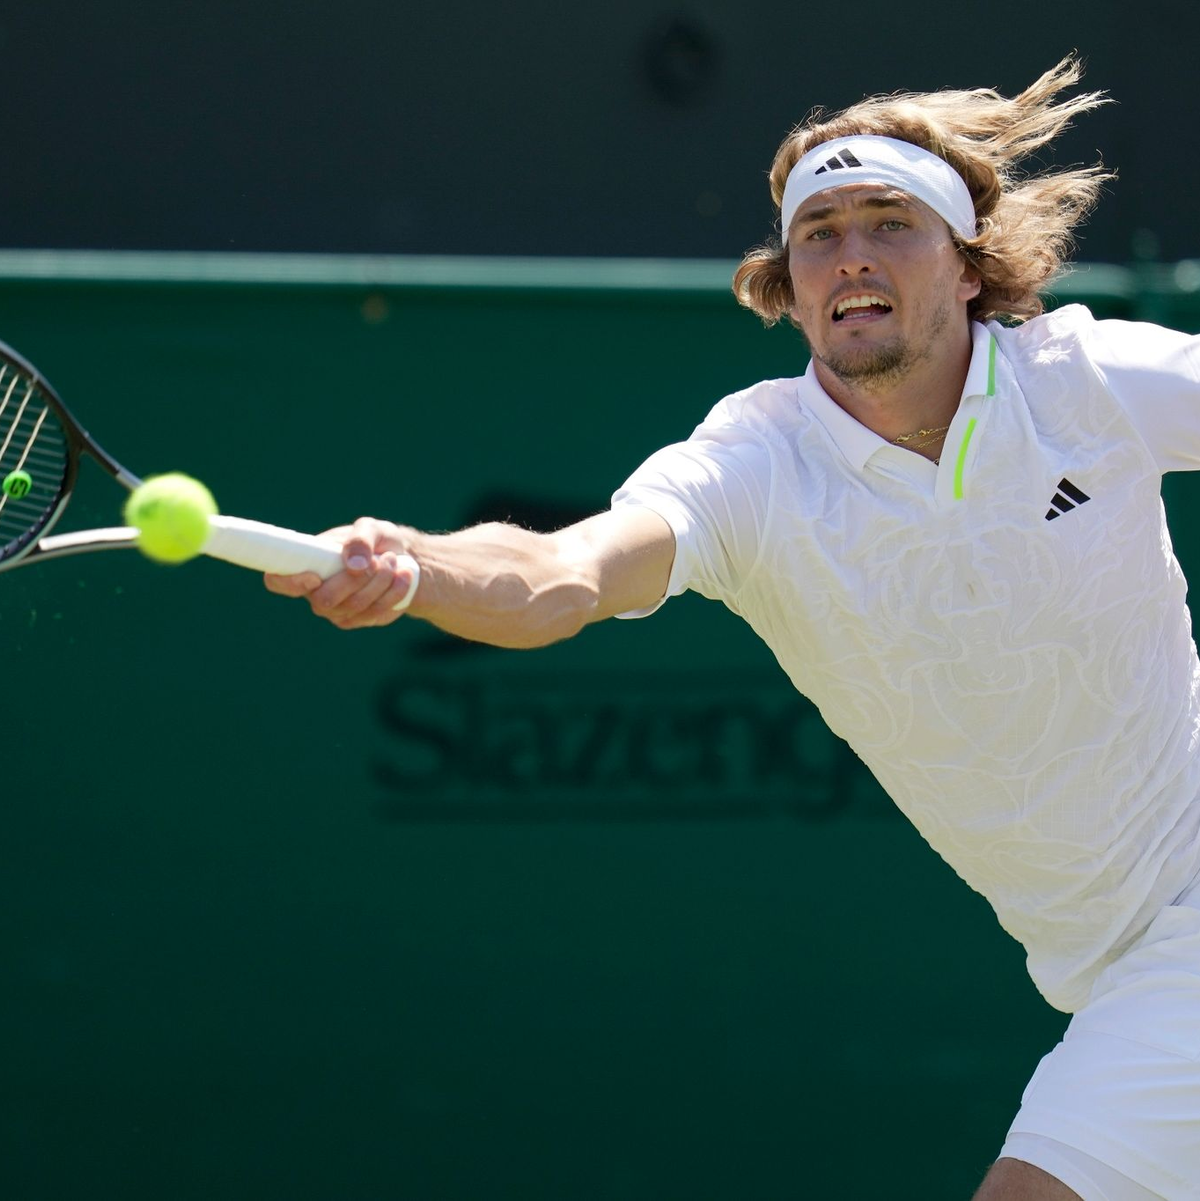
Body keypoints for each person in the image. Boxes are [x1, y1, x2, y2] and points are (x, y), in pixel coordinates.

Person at [265, 57, 1200, 1200]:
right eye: (819, 234)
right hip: (1107, 967)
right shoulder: (752, 468)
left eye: (890, 222)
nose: (851, 254)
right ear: (791, 287)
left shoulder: (1085, 382)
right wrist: (418, 566)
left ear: (967, 267)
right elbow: (561, 575)